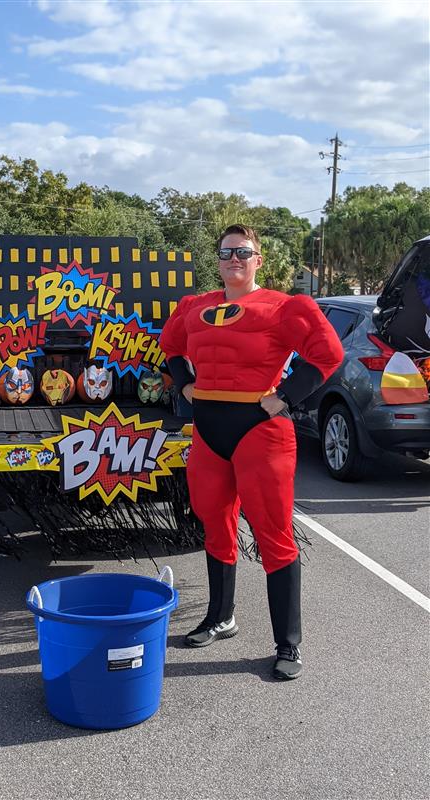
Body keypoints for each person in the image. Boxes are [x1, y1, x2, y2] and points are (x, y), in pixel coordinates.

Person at [160, 224, 343, 680]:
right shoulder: (194, 307)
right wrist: (186, 387)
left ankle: (288, 644)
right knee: (213, 520)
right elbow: (170, 349)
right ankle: (222, 618)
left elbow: (327, 354)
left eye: (243, 252)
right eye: (226, 252)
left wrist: (285, 397)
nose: (234, 259)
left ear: (258, 259)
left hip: (260, 430)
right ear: (218, 260)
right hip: (208, 432)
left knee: (273, 533)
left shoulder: (284, 306)